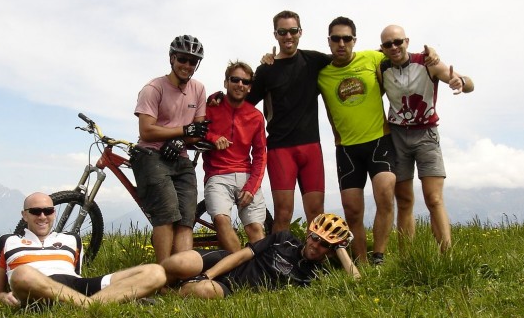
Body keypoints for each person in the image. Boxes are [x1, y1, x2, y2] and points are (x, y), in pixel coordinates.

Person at [378, 24, 474, 252]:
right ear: (382, 48)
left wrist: (459, 82)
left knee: (434, 198)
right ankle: (407, 258)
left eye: (398, 42)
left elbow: (469, 84)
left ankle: (447, 255)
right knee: (404, 200)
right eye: (388, 44)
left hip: (427, 135)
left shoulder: (427, 62)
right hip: (397, 136)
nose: (394, 47)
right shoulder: (381, 68)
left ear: (407, 41)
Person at [0, 192, 166, 308]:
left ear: (54, 213)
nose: (42, 216)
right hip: (35, 289)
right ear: (24, 215)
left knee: (156, 272)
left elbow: (76, 275)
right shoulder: (7, 241)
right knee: (22, 273)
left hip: (75, 286)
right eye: (35, 211)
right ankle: (103, 304)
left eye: (48, 211)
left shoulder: (72, 239)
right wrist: (2, 297)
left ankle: (86, 305)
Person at [316, 16, 398, 265]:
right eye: (336, 38)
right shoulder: (321, 73)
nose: (341, 43)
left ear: (355, 40)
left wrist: (433, 58)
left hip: (379, 141)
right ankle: (361, 260)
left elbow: (402, 55)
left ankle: (379, 255)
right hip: (347, 149)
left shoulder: (373, 58)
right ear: (328, 42)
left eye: (347, 38)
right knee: (352, 210)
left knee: (385, 194)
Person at [246, 10, 332, 231]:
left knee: (316, 212)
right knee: (283, 214)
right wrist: (219, 100)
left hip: (311, 146)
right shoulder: (267, 70)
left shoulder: (313, 60)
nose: (288, 36)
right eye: (282, 32)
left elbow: (347, 60)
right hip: (280, 148)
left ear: (300, 32)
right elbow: (245, 102)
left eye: (293, 31)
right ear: (275, 34)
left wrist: (385, 56)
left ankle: (317, 263)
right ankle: (277, 262)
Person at [131, 34, 210, 264]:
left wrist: (181, 140)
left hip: (181, 156)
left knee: (187, 217)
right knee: (165, 214)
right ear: (172, 59)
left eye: (192, 61)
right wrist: (183, 133)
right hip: (151, 154)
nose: (187, 65)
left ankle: (180, 273)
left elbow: (198, 130)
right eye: (182, 59)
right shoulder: (153, 88)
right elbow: (147, 131)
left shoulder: (198, 89)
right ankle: (162, 276)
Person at [162, 213, 360, 299]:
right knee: (180, 261)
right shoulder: (284, 238)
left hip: (232, 287)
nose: (316, 245)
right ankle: (156, 279)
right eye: (315, 238)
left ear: (330, 250)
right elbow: (242, 255)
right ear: (309, 234)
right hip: (228, 263)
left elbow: (356, 283)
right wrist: (209, 274)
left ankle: (165, 295)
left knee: (203, 290)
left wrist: (340, 248)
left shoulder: (316, 276)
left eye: (325, 244)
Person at [202, 60, 268, 253]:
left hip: (247, 175)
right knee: (221, 220)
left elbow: (260, 155)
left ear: (249, 88)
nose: (240, 84)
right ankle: (240, 270)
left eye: (245, 82)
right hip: (217, 174)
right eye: (235, 79)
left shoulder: (256, 116)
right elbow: (196, 131)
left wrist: (252, 186)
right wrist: (213, 137)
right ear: (226, 83)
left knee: (254, 227)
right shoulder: (210, 108)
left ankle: (260, 272)